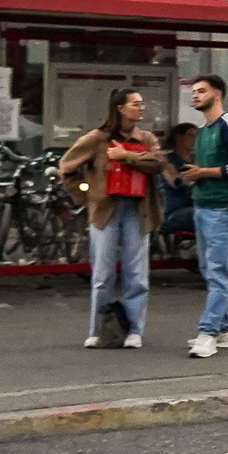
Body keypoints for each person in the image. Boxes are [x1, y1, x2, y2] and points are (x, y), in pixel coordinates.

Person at [59, 86, 162, 350]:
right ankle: (98, 330)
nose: (141, 108)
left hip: (138, 211)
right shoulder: (97, 138)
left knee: (136, 274)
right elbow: (67, 166)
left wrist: (126, 156)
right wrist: (85, 196)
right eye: (136, 104)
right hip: (105, 211)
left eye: (142, 104)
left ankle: (134, 330)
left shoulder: (146, 138)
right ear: (120, 108)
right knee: (103, 274)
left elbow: (157, 163)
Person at [179, 74, 228, 358]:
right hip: (204, 203)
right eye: (193, 91)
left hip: (224, 206)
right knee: (212, 271)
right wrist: (196, 177)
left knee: (217, 272)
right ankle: (225, 330)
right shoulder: (204, 129)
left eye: (201, 91)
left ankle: (207, 332)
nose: (195, 95)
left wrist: (202, 173)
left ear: (217, 94)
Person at [157, 123, 198, 237]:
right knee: (206, 214)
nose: (194, 139)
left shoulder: (198, 160)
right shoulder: (166, 161)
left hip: (197, 206)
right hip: (175, 213)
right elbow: (175, 181)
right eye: (190, 135)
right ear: (178, 136)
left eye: (196, 136)